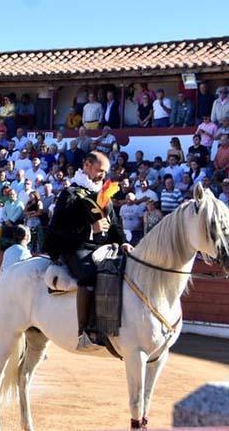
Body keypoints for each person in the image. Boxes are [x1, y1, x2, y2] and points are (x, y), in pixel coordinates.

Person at [43, 151, 132, 352]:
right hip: (76, 248)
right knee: (90, 275)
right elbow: (58, 227)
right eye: (100, 170)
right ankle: (84, 332)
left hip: (103, 248)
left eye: (105, 172)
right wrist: (90, 229)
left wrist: (124, 242)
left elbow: (115, 225)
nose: (103, 175)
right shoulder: (70, 193)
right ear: (86, 165)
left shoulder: (103, 194)